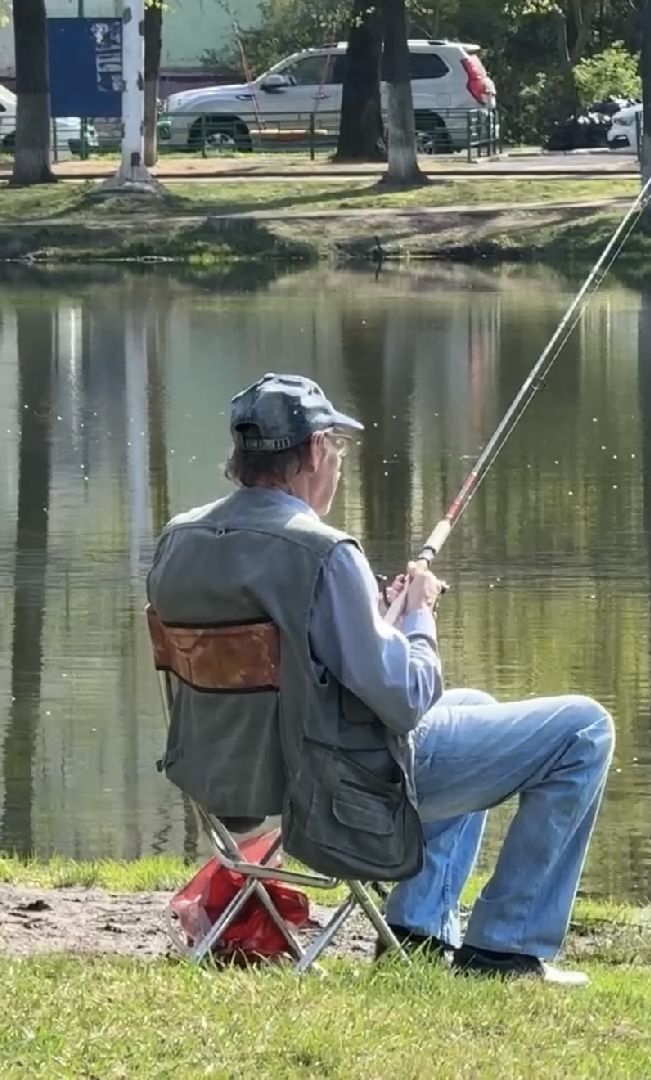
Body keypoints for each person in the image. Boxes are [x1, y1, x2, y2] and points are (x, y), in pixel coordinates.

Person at [146, 373, 614, 985]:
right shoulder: (324, 552)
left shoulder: (178, 540)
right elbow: (406, 699)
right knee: (584, 730)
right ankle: (507, 947)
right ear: (316, 449)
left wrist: (374, 621)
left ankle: (418, 932)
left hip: (224, 778)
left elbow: (293, 662)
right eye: (337, 446)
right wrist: (418, 618)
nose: (339, 462)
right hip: (330, 788)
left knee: (473, 703)